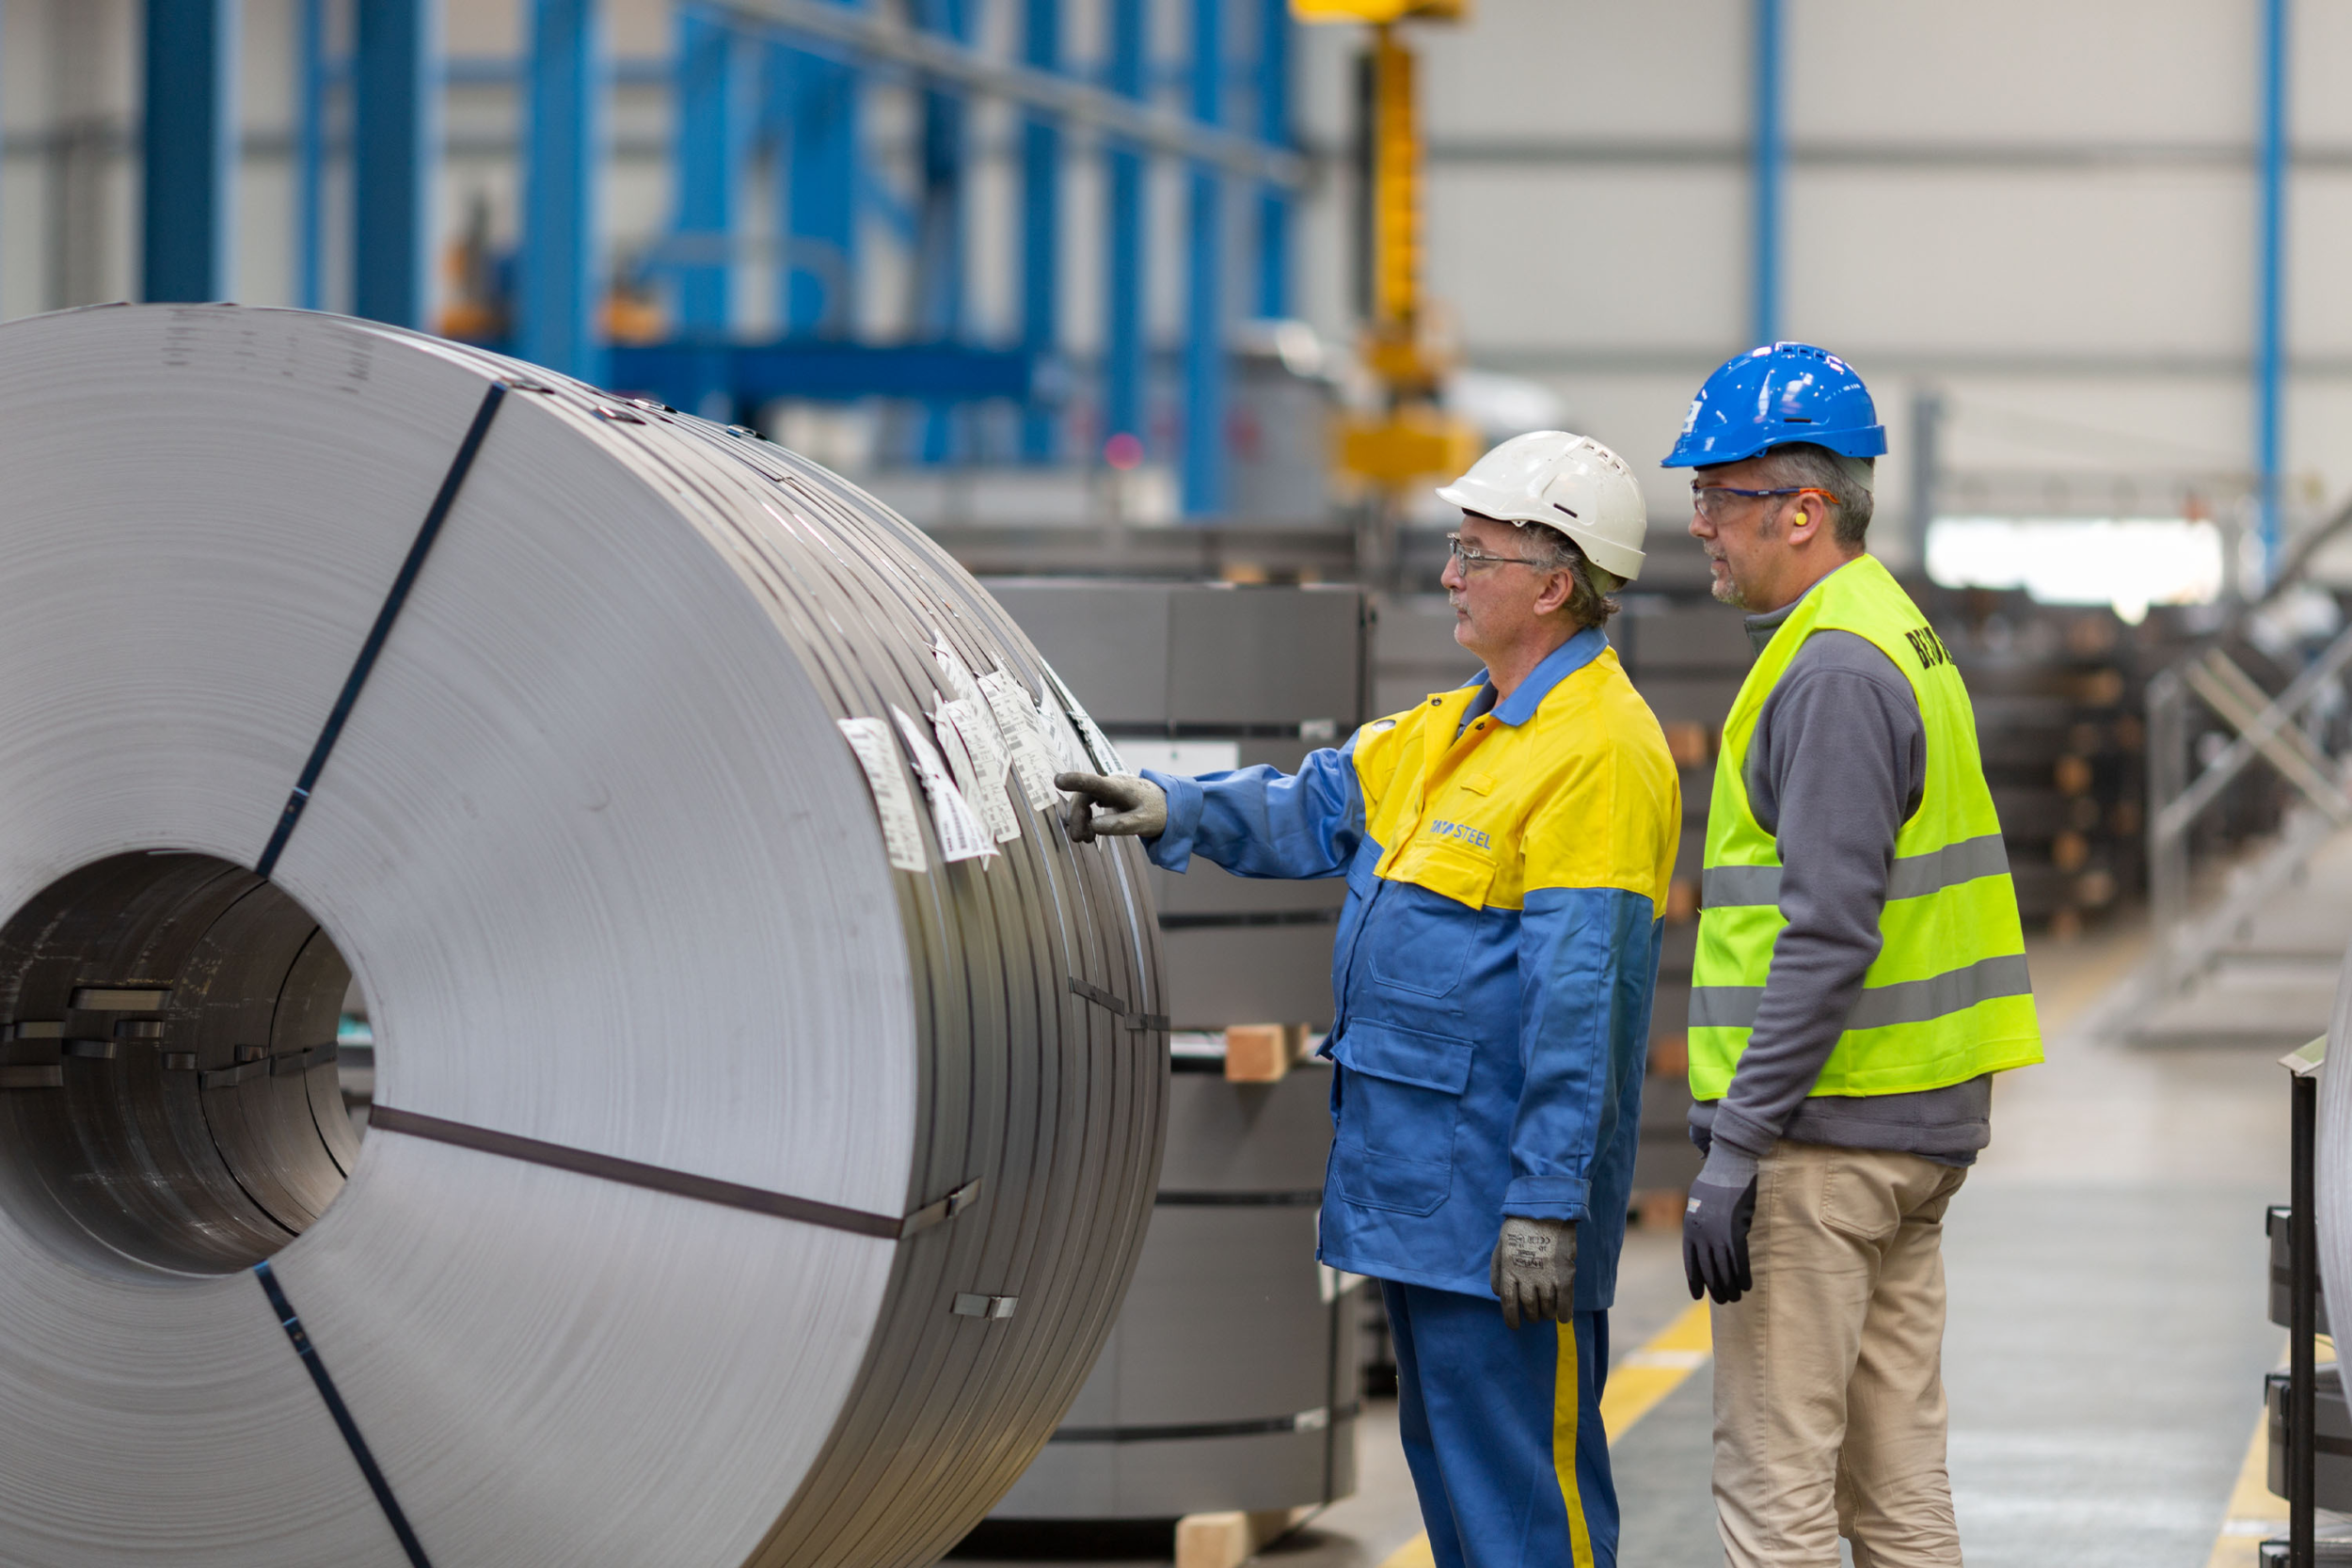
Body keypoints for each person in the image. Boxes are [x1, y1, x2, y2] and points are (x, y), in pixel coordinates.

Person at [1057, 431, 1678, 1568]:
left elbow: (1580, 1000)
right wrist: (1167, 804)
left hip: (1499, 1208)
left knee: (1529, 1508)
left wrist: (1545, 1202)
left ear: (1552, 581)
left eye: (1472, 551)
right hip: (1416, 1192)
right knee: (1456, 1494)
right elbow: (1316, 804)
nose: (1447, 573)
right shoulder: (1456, 728)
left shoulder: (1598, 750)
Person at [1662, 343, 2044, 1568]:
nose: (1700, 526)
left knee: (1775, 1482)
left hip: (1822, 1143)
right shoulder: (1892, 631)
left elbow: (1830, 928)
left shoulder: (1831, 668)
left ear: (1803, 508)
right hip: (1907, 1127)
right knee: (1894, 1482)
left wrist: (1738, 1142)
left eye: (1718, 497)